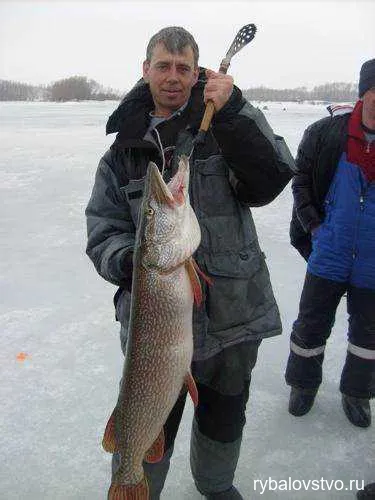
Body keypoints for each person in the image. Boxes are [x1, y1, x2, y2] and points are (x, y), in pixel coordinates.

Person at [85, 26, 294, 499]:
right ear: (146, 71)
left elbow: (272, 177)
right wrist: (131, 262)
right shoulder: (120, 156)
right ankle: (134, 483)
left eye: (184, 68)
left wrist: (236, 109)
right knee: (147, 413)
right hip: (155, 327)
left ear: (197, 73)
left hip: (234, 314)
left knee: (224, 415)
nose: (173, 77)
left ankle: (216, 486)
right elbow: (103, 231)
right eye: (163, 66)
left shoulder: (223, 126)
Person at [286, 58, 375, 428]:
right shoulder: (326, 133)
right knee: (311, 324)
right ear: (363, 93)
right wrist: (314, 226)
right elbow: (301, 180)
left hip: (372, 260)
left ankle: (357, 393)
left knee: (368, 335)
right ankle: (303, 385)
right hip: (330, 249)